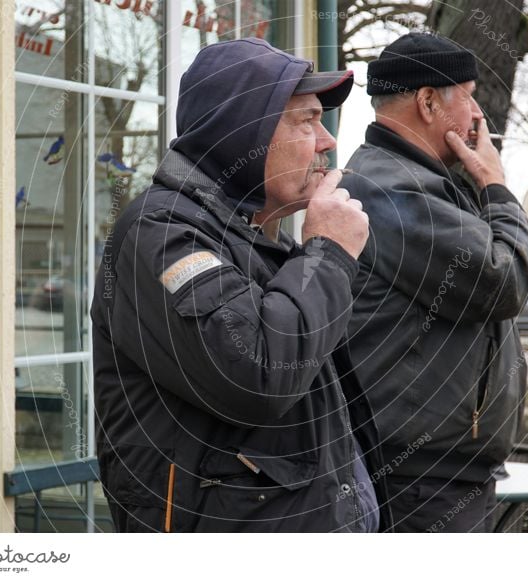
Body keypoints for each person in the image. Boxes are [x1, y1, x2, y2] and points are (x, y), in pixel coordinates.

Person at [91, 38, 389, 532]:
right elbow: (258, 371)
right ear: (240, 133)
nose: (327, 141)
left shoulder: (253, 237)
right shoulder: (162, 233)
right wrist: (329, 252)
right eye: (305, 120)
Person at [341, 32, 528, 532]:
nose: (477, 116)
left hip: (438, 472)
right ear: (427, 101)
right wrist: (496, 186)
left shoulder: (421, 182)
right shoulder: (393, 189)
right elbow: (502, 279)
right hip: (421, 480)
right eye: (466, 95)